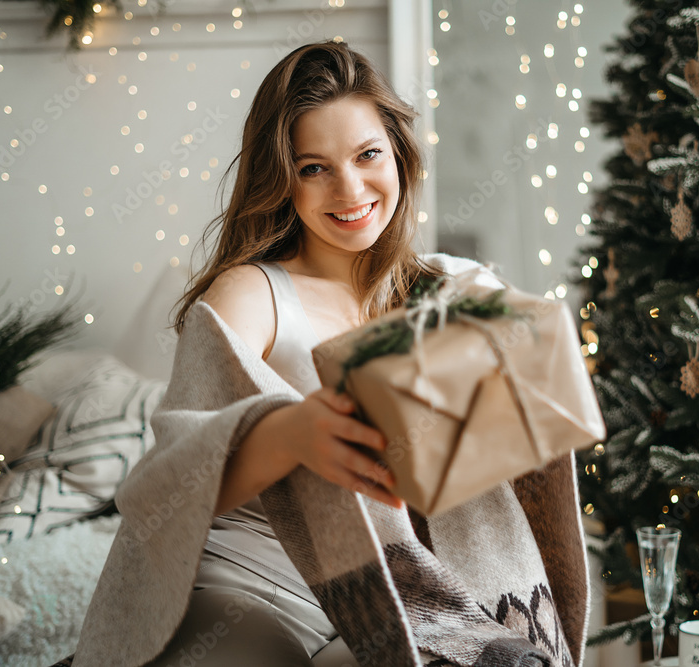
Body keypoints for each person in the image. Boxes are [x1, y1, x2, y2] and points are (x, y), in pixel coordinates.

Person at [66, 40, 590, 667]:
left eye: (368, 154)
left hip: (387, 592)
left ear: (398, 153)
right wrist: (291, 433)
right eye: (314, 167)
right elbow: (176, 470)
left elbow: (537, 380)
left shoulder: (445, 292)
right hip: (249, 587)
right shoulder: (255, 290)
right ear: (283, 179)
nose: (350, 188)